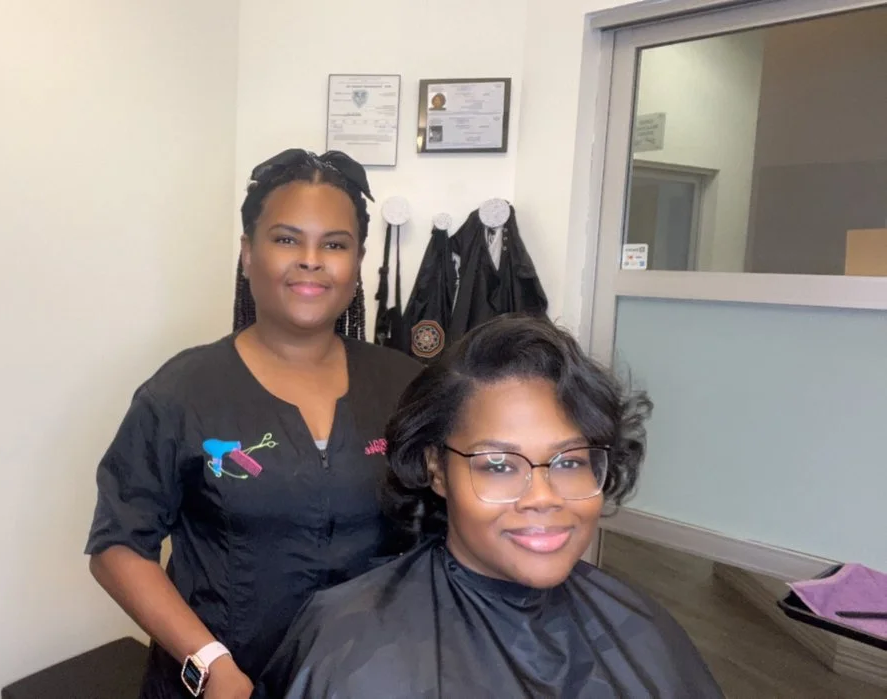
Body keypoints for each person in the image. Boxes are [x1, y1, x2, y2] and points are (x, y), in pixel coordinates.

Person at [85, 148, 422, 699]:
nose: (311, 259)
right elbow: (117, 547)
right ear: (247, 254)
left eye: (334, 244)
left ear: (357, 262)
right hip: (222, 686)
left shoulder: (406, 388)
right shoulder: (183, 391)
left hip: (368, 680)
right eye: (286, 239)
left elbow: (447, 529)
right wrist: (211, 665)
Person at [255, 315, 724, 699]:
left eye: (570, 461)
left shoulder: (640, 628)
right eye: (498, 465)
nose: (543, 496)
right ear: (437, 469)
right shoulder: (352, 648)